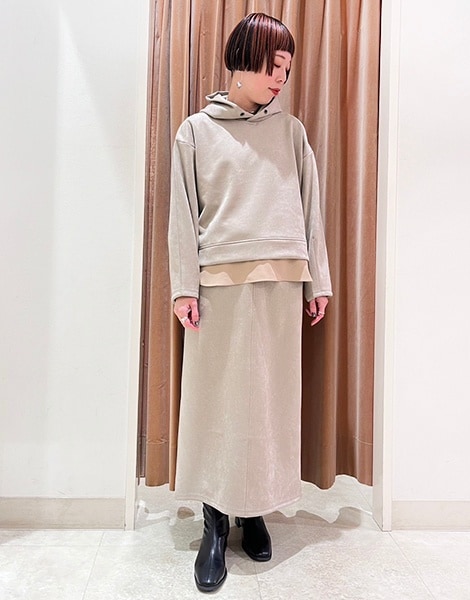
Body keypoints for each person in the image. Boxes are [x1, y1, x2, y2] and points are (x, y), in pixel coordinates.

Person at [168, 12, 332, 593]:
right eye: (274, 66)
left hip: (281, 282)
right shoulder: (196, 131)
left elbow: (310, 208)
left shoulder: (291, 132)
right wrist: (183, 287)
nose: (281, 78)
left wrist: (318, 281)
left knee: (268, 403)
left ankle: (255, 509)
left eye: (287, 69)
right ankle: (215, 519)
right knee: (217, 403)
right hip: (219, 287)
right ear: (243, 59)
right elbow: (182, 214)